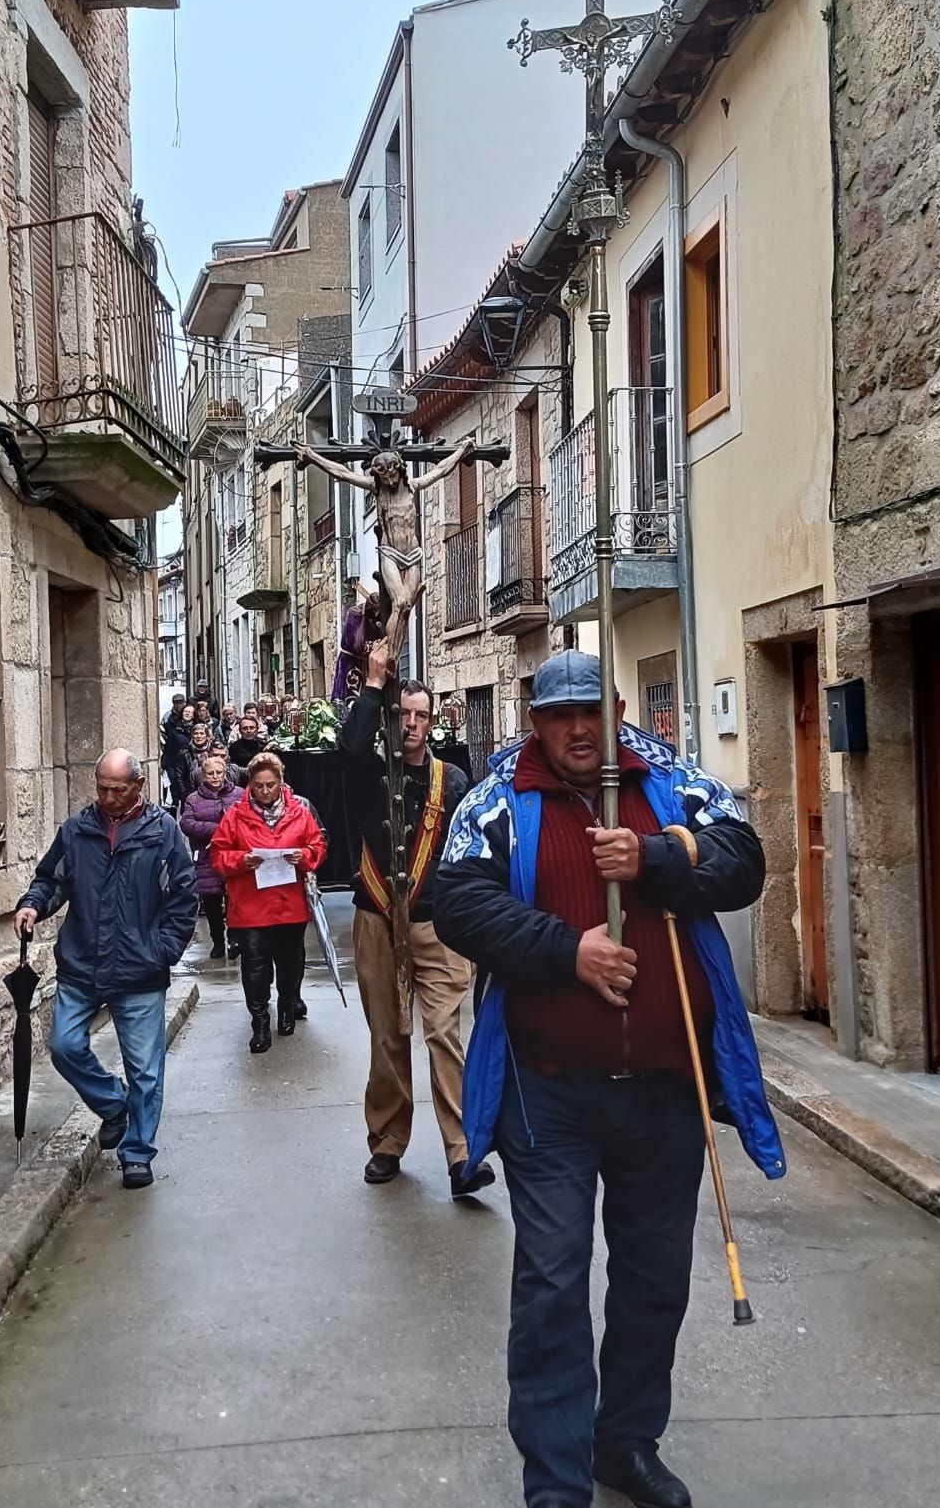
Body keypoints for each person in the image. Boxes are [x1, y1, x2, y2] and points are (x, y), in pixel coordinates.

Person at [434, 652, 784, 1508]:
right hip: (548, 1091)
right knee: (552, 1280)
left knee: (654, 1278)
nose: (578, 730)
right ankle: (555, 1482)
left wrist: (659, 858)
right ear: (534, 721)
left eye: (591, 711)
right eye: (558, 716)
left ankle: (624, 1442)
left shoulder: (666, 778)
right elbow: (457, 901)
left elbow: (743, 859)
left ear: (618, 707)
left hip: (667, 1091)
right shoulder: (496, 799)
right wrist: (569, 953)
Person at [338, 638, 492, 1199]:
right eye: (403, 714)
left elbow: (472, 853)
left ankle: (461, 1153)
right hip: (375, 919)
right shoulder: (366, 770)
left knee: (446, 1036)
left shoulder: (451, 780)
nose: (412, 725)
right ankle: (386, 1141)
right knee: (387, 1036)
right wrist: (374, 682)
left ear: (433, 723)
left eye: (422, 716)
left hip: (438, 926)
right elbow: (349, 749)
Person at [14, 749, 197, 1189]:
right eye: (102, 788)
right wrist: (31, 905)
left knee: (145, 1070)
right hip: (82, 963)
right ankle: (114, 1104)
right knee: (63, 1046)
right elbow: (51, 879)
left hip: (139, 969)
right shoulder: (78, 830)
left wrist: (162, 950)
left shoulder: (163, 833)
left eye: (118, 789)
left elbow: (184, 899)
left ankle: (137, 1152)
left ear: (138, 786)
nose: (109, 797)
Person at [211, 752, 327, 1053]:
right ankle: (260, 1020)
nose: (265, 791)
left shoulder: (299, 812)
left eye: (271, 785)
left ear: (280, 783)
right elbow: (218, 856)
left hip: (289, 904)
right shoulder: (234, 815)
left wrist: (304, 856)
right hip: (250, 905)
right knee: (255, 966)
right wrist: (241, 860)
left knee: (290, 964)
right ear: (250, 784)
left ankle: (287, 1005)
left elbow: (317, 846)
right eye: (259, 786)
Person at [179, 755, 243, 961]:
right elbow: (187, 824)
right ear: (202, 775)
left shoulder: (239, 795)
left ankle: (235, 938)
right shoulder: (193, 799)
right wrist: (218, 830)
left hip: (233, 855)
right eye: (210, 773)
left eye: (219, 772)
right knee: (212, 902)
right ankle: (217, 940)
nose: (215, 777)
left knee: (234, 899)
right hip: (206, 856)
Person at [161, 702, 194, 809]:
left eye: (190, 712)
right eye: (185, 711)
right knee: (176, 789)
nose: (187, 714)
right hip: (175, 762)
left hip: (190, 764)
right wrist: (165, 761)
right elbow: (168, 746)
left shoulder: (197, 729)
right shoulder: (174, 727)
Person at [173, 721, 214, 804]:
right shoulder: (184, 753)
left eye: (202, 733)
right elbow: (178, 776)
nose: (199, 736)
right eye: (196, 733)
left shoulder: (212, 751)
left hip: (211, 792)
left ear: (206, 736)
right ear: (192, 736)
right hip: (191, 794)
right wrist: (185, 795)